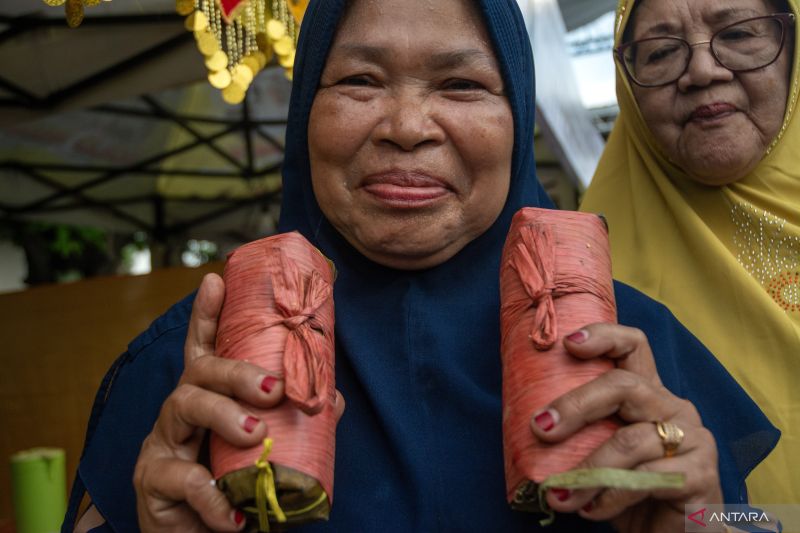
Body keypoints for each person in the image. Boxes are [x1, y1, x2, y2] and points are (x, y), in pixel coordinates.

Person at [64, 0, 778, 531]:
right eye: (360, 81)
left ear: (517, 122)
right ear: (305, 112)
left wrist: (703, 519)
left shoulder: (635, 354)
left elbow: (738, 519)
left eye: (462, 86)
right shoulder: (195, 371)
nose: (407, 126)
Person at [580, 0, 799, 504]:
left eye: (740, 35)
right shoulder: (584, 286)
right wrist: (718, 522)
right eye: (659, 54)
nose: (702, 71)